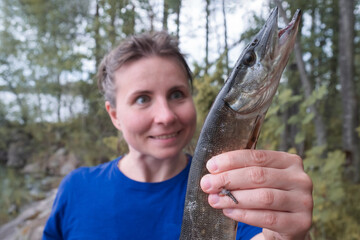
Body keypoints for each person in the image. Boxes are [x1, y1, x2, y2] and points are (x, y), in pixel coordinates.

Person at [43, 31, 313, 240]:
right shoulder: (76, 189)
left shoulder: (227, 190)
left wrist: (285, 233)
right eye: (142, 99)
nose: (166, 116)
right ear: (114, 114)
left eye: (176, 94)